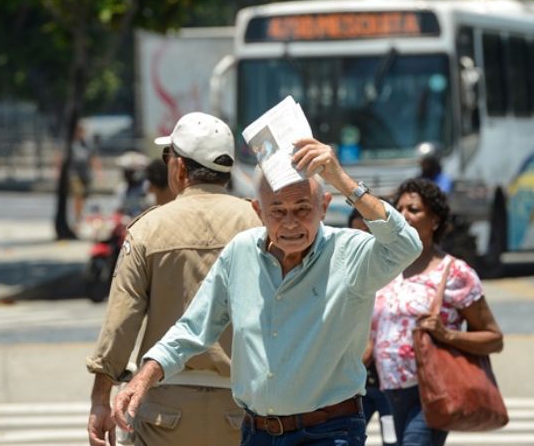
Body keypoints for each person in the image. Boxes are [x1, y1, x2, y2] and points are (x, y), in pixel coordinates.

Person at [112, 137, 424, 446]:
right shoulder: (241, 252)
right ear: (258, 211)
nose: (290, 223)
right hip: (256, 433)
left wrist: (341, 181)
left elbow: (406, 245)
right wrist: (144, 377)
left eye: (302, 209)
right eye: (278, 212)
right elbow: (194, 328)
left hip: (329, 432)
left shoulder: (351, 254)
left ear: (324, 206)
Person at [86, 112, 262, 446]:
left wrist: (100, 399)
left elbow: (120, 324)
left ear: (179, 168)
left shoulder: (147, 229)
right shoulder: (261, 224)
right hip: (243, 406)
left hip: (162, 406)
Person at [371, 178, 503, 446]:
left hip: (429, 392)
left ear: (435, 221)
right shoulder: (383, 267)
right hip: (387, 392)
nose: (404, 215)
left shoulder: (454, 272)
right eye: (399, 209)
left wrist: (447, 335)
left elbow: (493, 338)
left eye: (414, 209)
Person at [348, 209, 396, 446]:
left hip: (389, 385)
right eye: (358, 231)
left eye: (369, 231)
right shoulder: (346, 277)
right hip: (356, 387)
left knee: (392, 440)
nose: (364, 238)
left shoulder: (396, 275)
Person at [68, 121, 102, 226]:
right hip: (74, 173)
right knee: (78, 194)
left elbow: (93, 157)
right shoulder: (70, 143)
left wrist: (98, 171)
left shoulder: (87, 143)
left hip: (86, 173)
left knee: (83, 196)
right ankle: (77, 218)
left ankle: (79, 214)